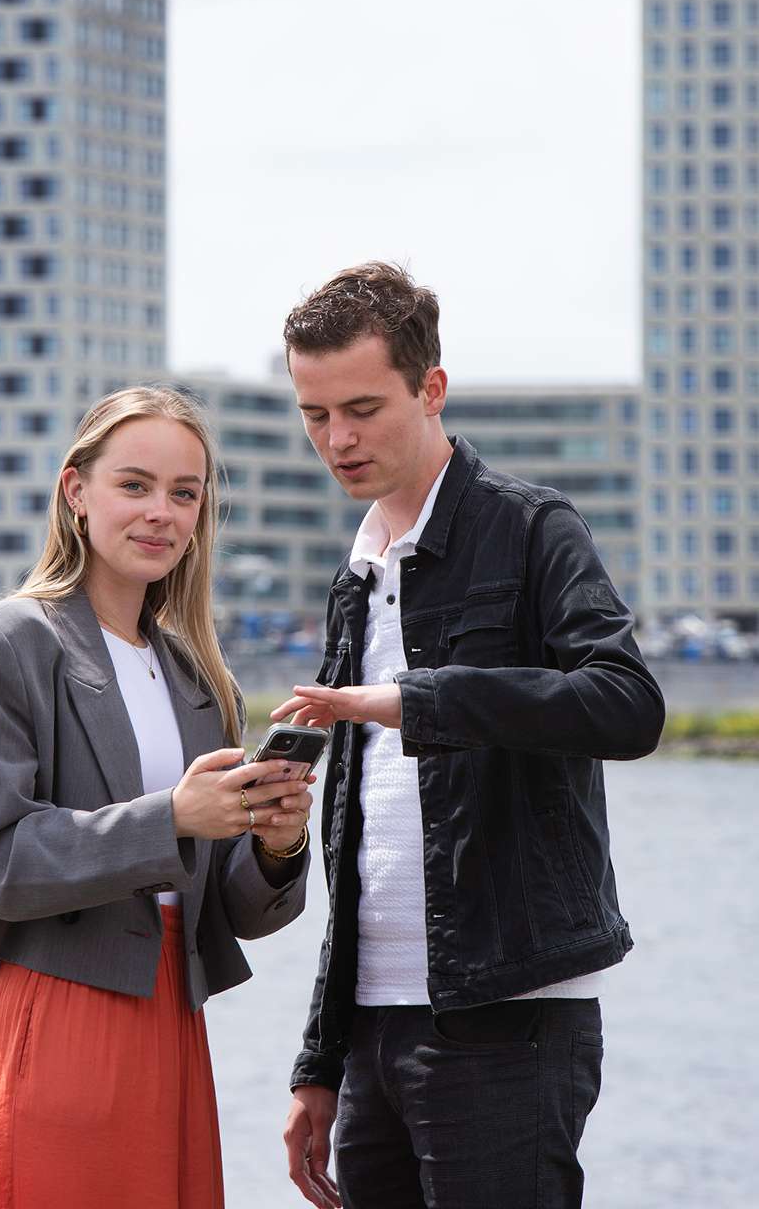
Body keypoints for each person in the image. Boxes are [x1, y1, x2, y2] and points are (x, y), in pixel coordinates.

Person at [273, 263, 665, 1209]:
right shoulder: (355, 575)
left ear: (431, 389)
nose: (339, 438)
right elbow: (357, 845)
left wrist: (418, 701)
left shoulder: (533, 529)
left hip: (510, 1020)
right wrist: (319, 1060)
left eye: (362, 407)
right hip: (373, 1031)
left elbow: (627, 704)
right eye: (315, 414)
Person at [0, 386, 312, 1209]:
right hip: (59, 1020)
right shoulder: (0, 642)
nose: (162, 513)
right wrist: (170, 818)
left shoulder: (200, 682)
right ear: (77, 492)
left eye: (185, 493)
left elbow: (225, 910)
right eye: (135, 485)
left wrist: (277, 845)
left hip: (175, 1030)